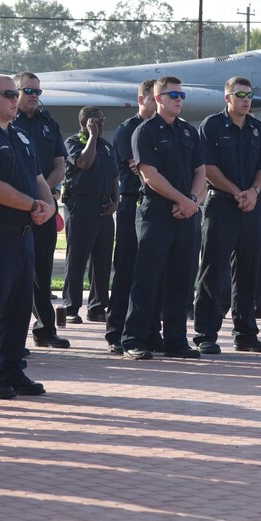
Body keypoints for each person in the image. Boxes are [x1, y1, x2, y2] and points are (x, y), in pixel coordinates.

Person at [0, 75, 56, 398]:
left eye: (17, 94)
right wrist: (34, 204)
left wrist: (50, 205)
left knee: (18, 306)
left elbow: (39, 177)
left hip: (23, 233)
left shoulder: (20, 136)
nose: (16, 99)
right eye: (9, 94)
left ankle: (12, 370)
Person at [121, 76, 206, 360]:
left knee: (181, 280)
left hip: (187, 214)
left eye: (181, 95)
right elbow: (150, 176)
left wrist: (192, 202)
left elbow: (201, 174)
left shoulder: (188, 132)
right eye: (173, 95)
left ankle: (176, 340)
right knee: (147, 278)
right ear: (158, 99)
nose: (179, 99)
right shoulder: (144, 132)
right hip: (157, 212)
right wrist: (183, 200)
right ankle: (134, 339)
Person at [192, 76, 261, 354]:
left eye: (249, 94)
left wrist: (252, 191)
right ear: (227, 98)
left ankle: (246, 333)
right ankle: (206, 333)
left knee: (250, 272)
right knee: (214, 271)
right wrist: (237, 191)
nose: (246, 99)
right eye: (240, 94)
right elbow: (207, 168)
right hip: (221, 205)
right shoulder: (212, 126)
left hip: (251, 206)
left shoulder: (256, 128)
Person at [12, 72, 71, 344]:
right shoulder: (9, 124)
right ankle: (11, 337)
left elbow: (61, 164)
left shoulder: (49, 124)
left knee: (42, 271)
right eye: (28, 91)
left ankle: (45, 330)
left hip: (45, 208)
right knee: (15, 274)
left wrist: (44, 194)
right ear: (15, 93)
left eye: (38, 91)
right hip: (15, 208)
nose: (34, 96)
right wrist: (35, 197)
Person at [105, 80, 157, 354]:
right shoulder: (129, 130)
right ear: (141, 99)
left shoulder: (164, 130)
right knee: (126, 269)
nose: (158, 102)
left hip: (157, 205)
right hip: (132, 202)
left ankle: (148, 330)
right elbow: (140, 168)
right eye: (153, 98)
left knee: (150, 272)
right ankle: (115, 331)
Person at [61, 106, 118, 324]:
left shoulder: (105, 146)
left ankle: (97, 306)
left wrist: (115, 201)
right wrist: (91, 135)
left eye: (103, 120)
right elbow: (84, 163)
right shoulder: (73, 143)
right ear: (87, 122)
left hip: (104, 208)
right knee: (77, 257)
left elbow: (114, 175)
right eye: (98, 121)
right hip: (81, 206)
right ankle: (71, 306)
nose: (102, 124)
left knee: (102, 260)